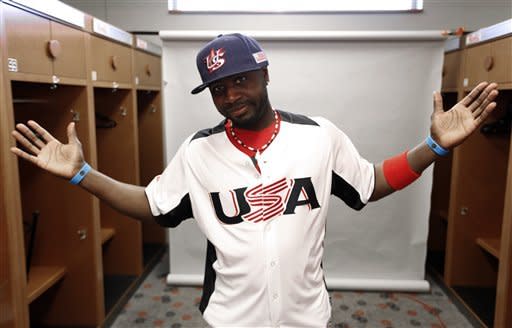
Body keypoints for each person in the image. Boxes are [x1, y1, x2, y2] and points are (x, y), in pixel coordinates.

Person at [11, 33, 498, 327]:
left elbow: (371, 182)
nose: (230, 95)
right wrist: (82, 173)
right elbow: (150, 204)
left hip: (308, 316)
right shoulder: (198, 151)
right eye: (218, 88)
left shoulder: (317, 136)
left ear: (264, 73)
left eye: (241, 79)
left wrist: (433, 147)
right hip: (229, 317)